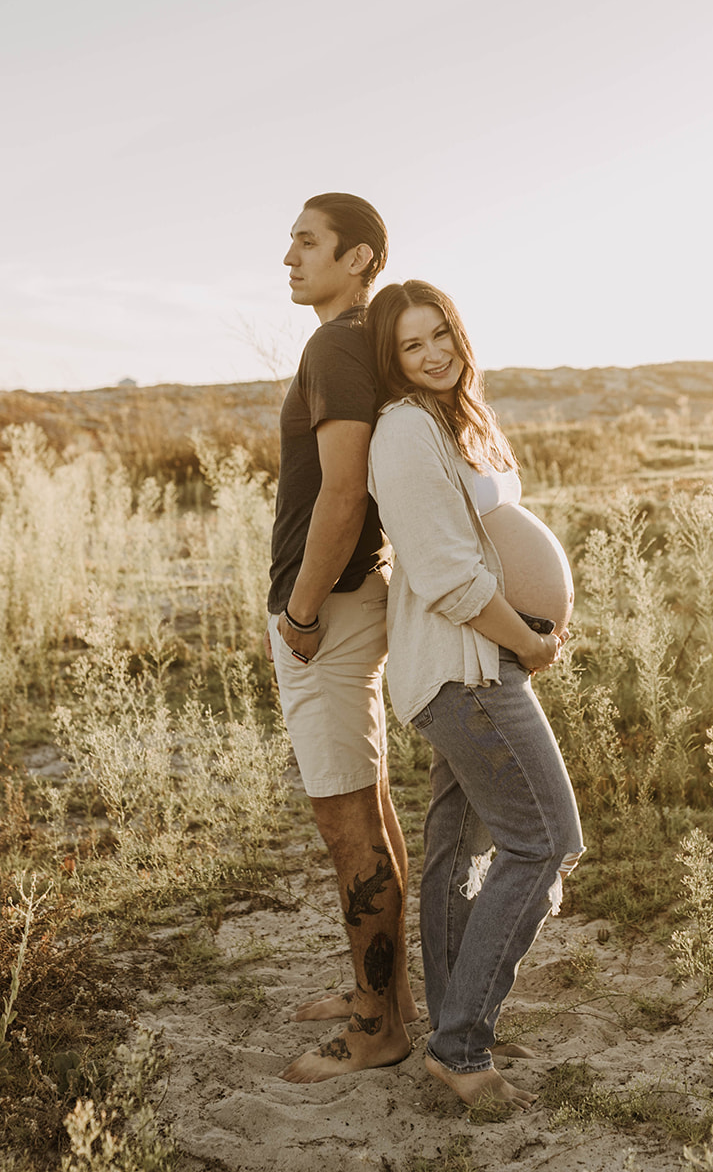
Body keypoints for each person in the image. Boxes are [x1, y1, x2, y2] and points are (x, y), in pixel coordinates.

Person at [365, 279, 584, 1112]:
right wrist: (525, 637)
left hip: (492, 663)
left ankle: (452, 1026)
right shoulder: (404, 430)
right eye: (409, 346)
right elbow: (449, 571)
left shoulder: (461, 419)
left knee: (459, 852)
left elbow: (497, 539)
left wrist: (539, 624)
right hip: (468, 668)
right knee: (544, 843)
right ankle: (462, 1047)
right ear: (391, 360)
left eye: (439, 336)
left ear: (459, 337)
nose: (429, 355)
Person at [264, 193, 416, 1082]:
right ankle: (380, 997)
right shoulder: (353, 344)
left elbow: (343, 493)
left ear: (359, 259)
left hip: (329, 612)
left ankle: (377, 1030)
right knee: (370, 806)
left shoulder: (336, 342)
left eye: (307, 242)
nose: (288, 256)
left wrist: (304, 612)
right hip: (349, 604)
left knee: (347, 822)